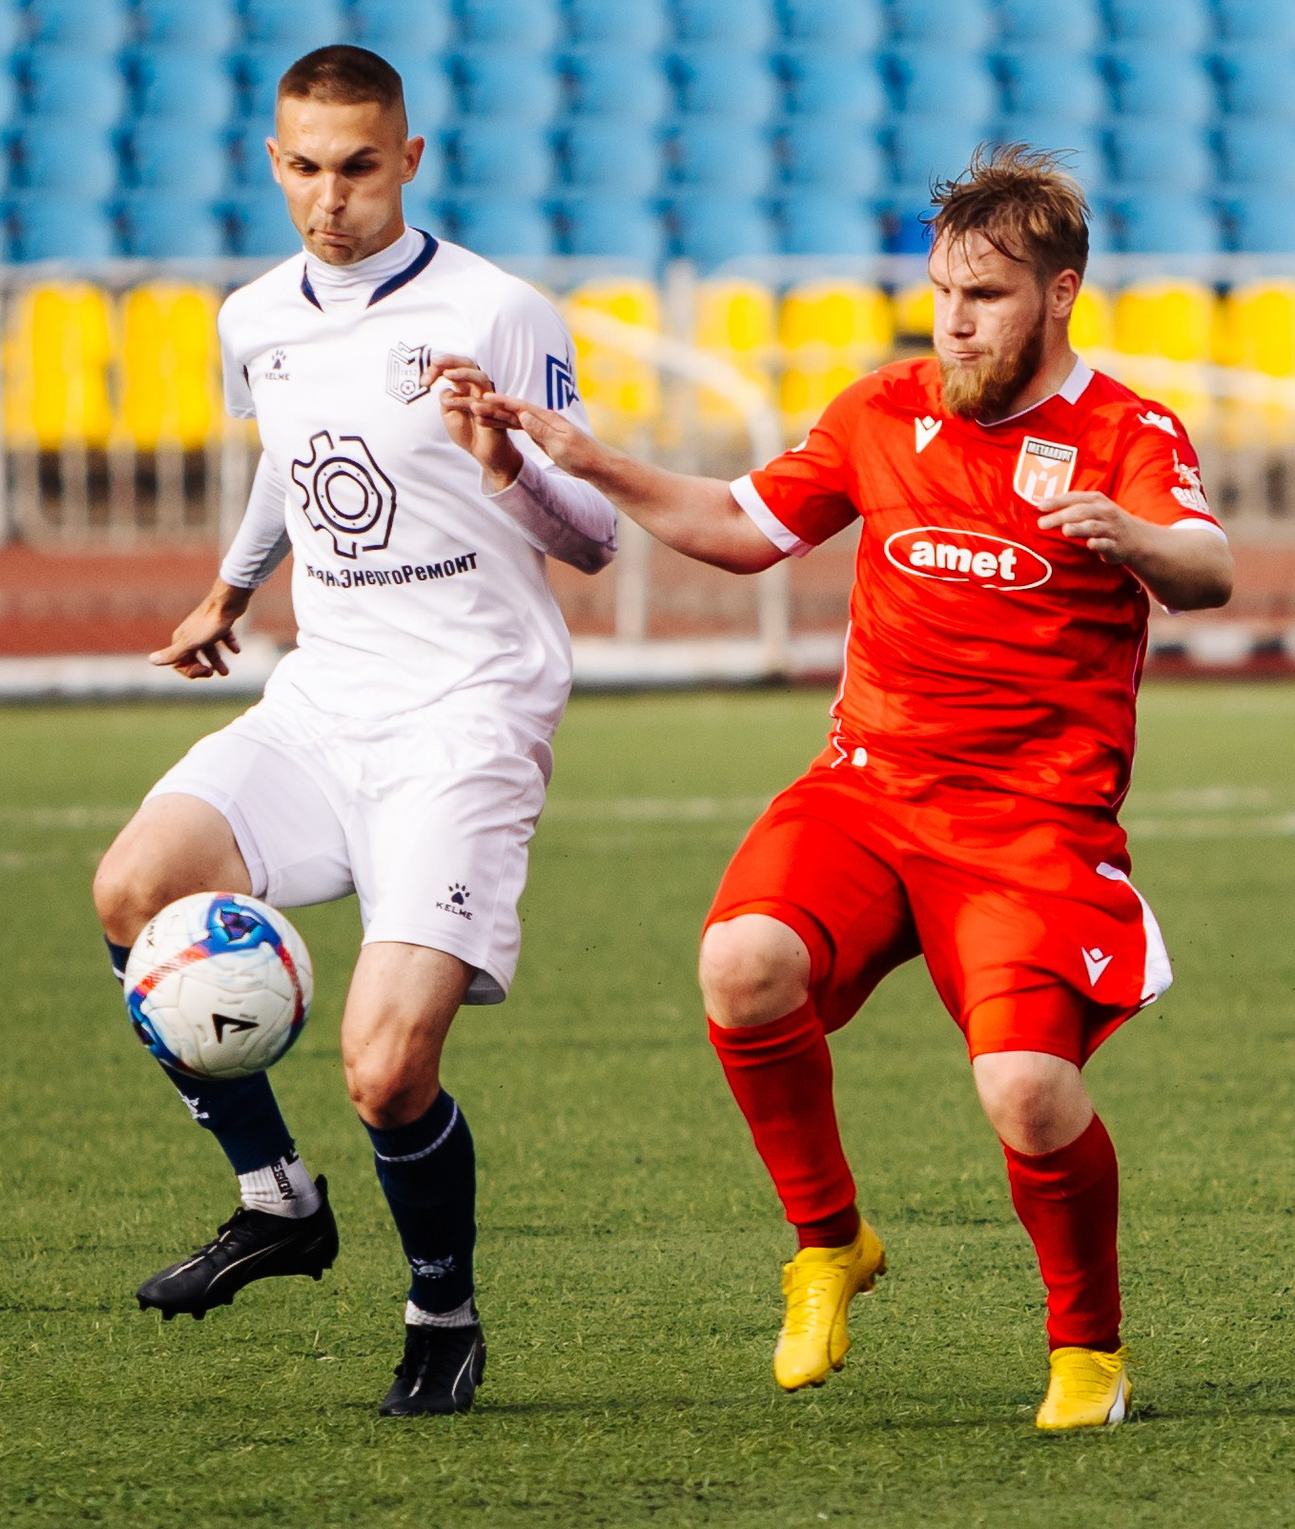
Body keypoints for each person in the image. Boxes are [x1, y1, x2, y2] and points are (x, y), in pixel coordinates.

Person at [440, 144, 1232, 1430]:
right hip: (868, 790)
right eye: (942, 292)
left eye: (988, 296)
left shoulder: (1127, 433)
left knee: (1027, 1095)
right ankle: (830, 1245)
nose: (956, 320)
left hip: (1031, 825)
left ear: (1062, 294)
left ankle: (1087, 1353)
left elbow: (1206, 565)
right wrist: (588, 461)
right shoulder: (881, 412)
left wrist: (1141, 543)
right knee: (741, 964)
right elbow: (738, 529)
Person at [90, 45, 620, 1417]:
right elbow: (286, 451)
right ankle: (276, 1197)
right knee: (133, 889)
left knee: (387, 1067)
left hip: (467, 714)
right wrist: (231, 583)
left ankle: (441, 1306)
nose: (332, 198)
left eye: (361, 167)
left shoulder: (499, 311)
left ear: (411, 161)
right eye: (308, 169)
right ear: (276, 163)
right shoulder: (254, 315)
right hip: (325, 700)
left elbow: (598, 535)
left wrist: (507, 462)